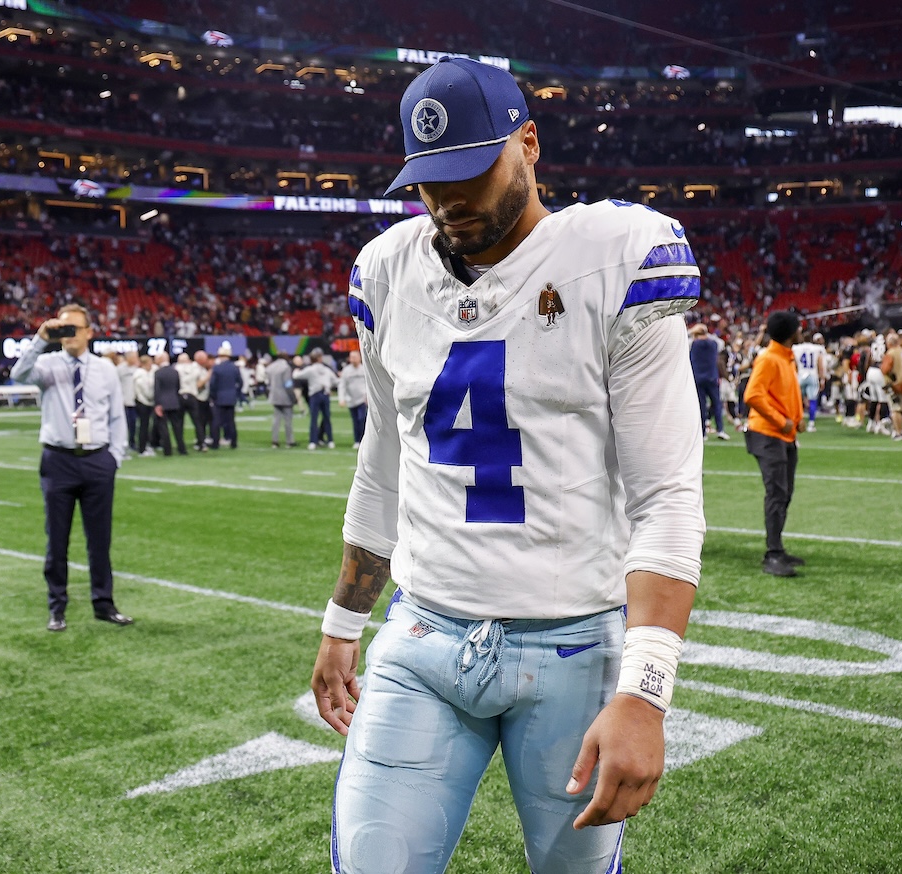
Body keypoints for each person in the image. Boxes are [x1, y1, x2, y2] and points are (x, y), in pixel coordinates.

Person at [309, 58, 704, 874]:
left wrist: (646, 689)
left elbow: (667, 494)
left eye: (469, 170)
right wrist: (344, 622)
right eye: (428, 181)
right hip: (421, 636)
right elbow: (385, 456)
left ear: (529, 144)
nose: (448, 199)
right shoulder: (386, 272)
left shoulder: (616, 253)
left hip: (572, 647)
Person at [9, 303, 132, 631]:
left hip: (96, 460)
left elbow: (117, 415)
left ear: (89, 332)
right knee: (57, 539)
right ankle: (56, 606)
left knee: (99, 539)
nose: (68, 335)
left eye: (74, 329)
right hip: (58, 459)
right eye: (62, 329)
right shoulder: (47, 363)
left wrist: (114, 458)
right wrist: (39, 339)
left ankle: (104, 603)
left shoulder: (105, 368)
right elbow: (17, 374)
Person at [742, 310, 805, 577]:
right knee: (777, 493)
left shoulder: (784, 357)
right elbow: (752, 395)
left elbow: (784, 393)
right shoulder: (769, 358)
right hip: (769, 434)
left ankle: (777, 546)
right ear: (792, 332)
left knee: (784, 492)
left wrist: (795, 419)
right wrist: (783, 421)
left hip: (781, 435)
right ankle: (773, 554)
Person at [688, 323, 728, 439]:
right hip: (712, 377)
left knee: (701, 406)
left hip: (698, 378)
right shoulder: (714, 343)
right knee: (717, 404)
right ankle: (720, 430)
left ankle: (703, 433)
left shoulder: (692, 343)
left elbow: (687, 338)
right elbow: (721, 343)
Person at [296, 348, 338, 449]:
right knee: (326, 418)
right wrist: (328, 386)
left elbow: (297, 376)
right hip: (323, 394)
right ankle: (330, 440)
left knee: (314, 419)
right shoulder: (325, 369)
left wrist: (296, 369)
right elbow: (336, 380)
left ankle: (313, 441)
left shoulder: (311, 369)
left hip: (315, 394)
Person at [152, 351, 187, 455]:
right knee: (177, 428)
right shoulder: (175, 371)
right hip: (174, 401)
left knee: (163, 428)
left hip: (162, 403)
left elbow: (157, 390)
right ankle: (182, 449)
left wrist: (157, 404)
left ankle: (167, 450)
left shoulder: (158, 373)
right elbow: (178, 387)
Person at [207, 342, 242, 449]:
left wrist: (212, 395)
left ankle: (215, 442)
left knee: (216, 421)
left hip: (219, 397)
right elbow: (240, 383)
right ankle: (233, 442)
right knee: (231, 421)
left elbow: (213, 384)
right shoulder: (234, 368)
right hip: (231, 397)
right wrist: (236, 393)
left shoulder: (217, 368)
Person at [175, 351, 210, 451]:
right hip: (192, 396)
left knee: (179, 423)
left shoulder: (176, 369)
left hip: (180, 395)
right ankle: (202, 443)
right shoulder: (195, 369)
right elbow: (201, 382)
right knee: (197, 422)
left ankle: (180, 445)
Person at [792, 331, 826, 431]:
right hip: (812, 375)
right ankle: (811, 424)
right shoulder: (817, 349)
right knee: (812, 400)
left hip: (800, 375)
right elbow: (820, 364)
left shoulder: (796, 348)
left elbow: (794, 363)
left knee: (798, 401)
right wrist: (822, 379)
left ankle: (798, 421)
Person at [338, 348, 368, 447]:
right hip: (351, 399)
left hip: (362, 399)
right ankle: (357, 440)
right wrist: (341, 399)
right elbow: (342, 385)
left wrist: (368, 397)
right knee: (355, 420)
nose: (353, 359)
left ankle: (363, 439)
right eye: (351, 357)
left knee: (362, 419)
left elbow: (369, 385)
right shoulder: (346, 371)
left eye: (355, 357)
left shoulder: (364, 369)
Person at [266, 353, 297, 448]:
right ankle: (289, 441)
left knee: (276, 419)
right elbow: (287, 384)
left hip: (274, 396)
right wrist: (293, 397)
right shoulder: (286, 367)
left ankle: (275, 441)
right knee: (288, 420)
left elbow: (268, 382)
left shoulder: (270, 367)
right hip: (285, 396)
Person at [132, 354, 156, 456]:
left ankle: (145, 446)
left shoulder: (146, 373)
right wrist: (151, 397)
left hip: (145, 402)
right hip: (143, 402)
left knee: (146, 426)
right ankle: (142, 449)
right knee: (143, 426)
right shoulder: (140, 375)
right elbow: (146, 391)